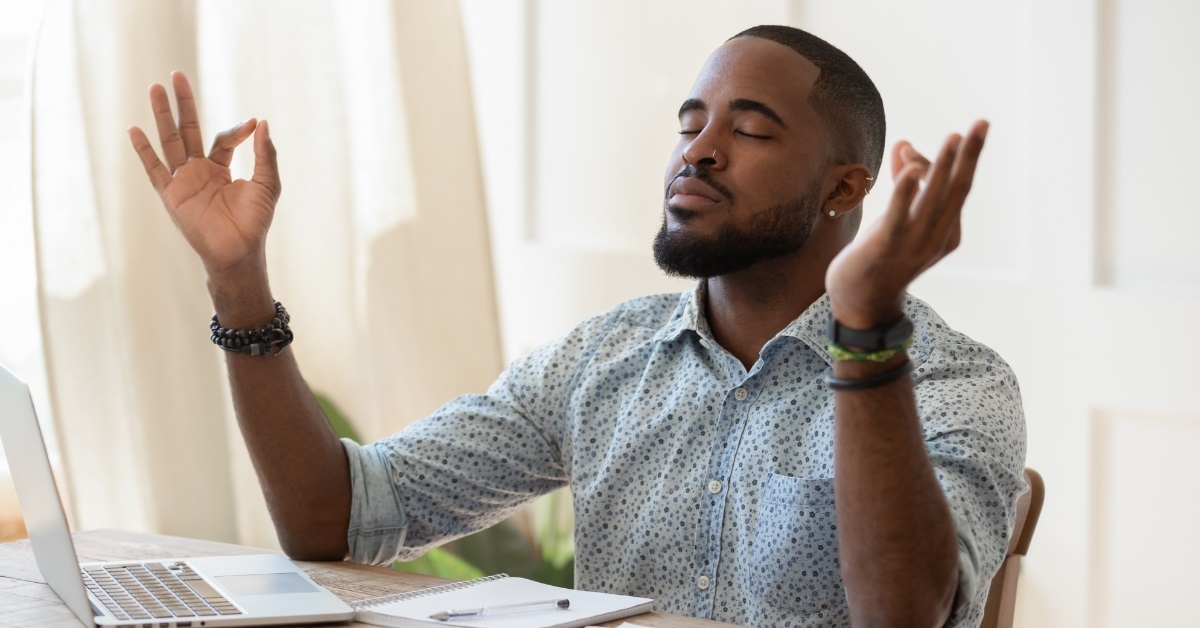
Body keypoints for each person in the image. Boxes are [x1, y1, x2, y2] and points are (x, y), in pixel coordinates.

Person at [129, 24, 1025, 628]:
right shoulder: (603, 360)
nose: (698, 150)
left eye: (749, 129)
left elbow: (906, 616)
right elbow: (339, 521)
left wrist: (865, 329)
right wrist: (237, 280)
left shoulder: (957, 384)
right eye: (690, 122)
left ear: (844, 186)